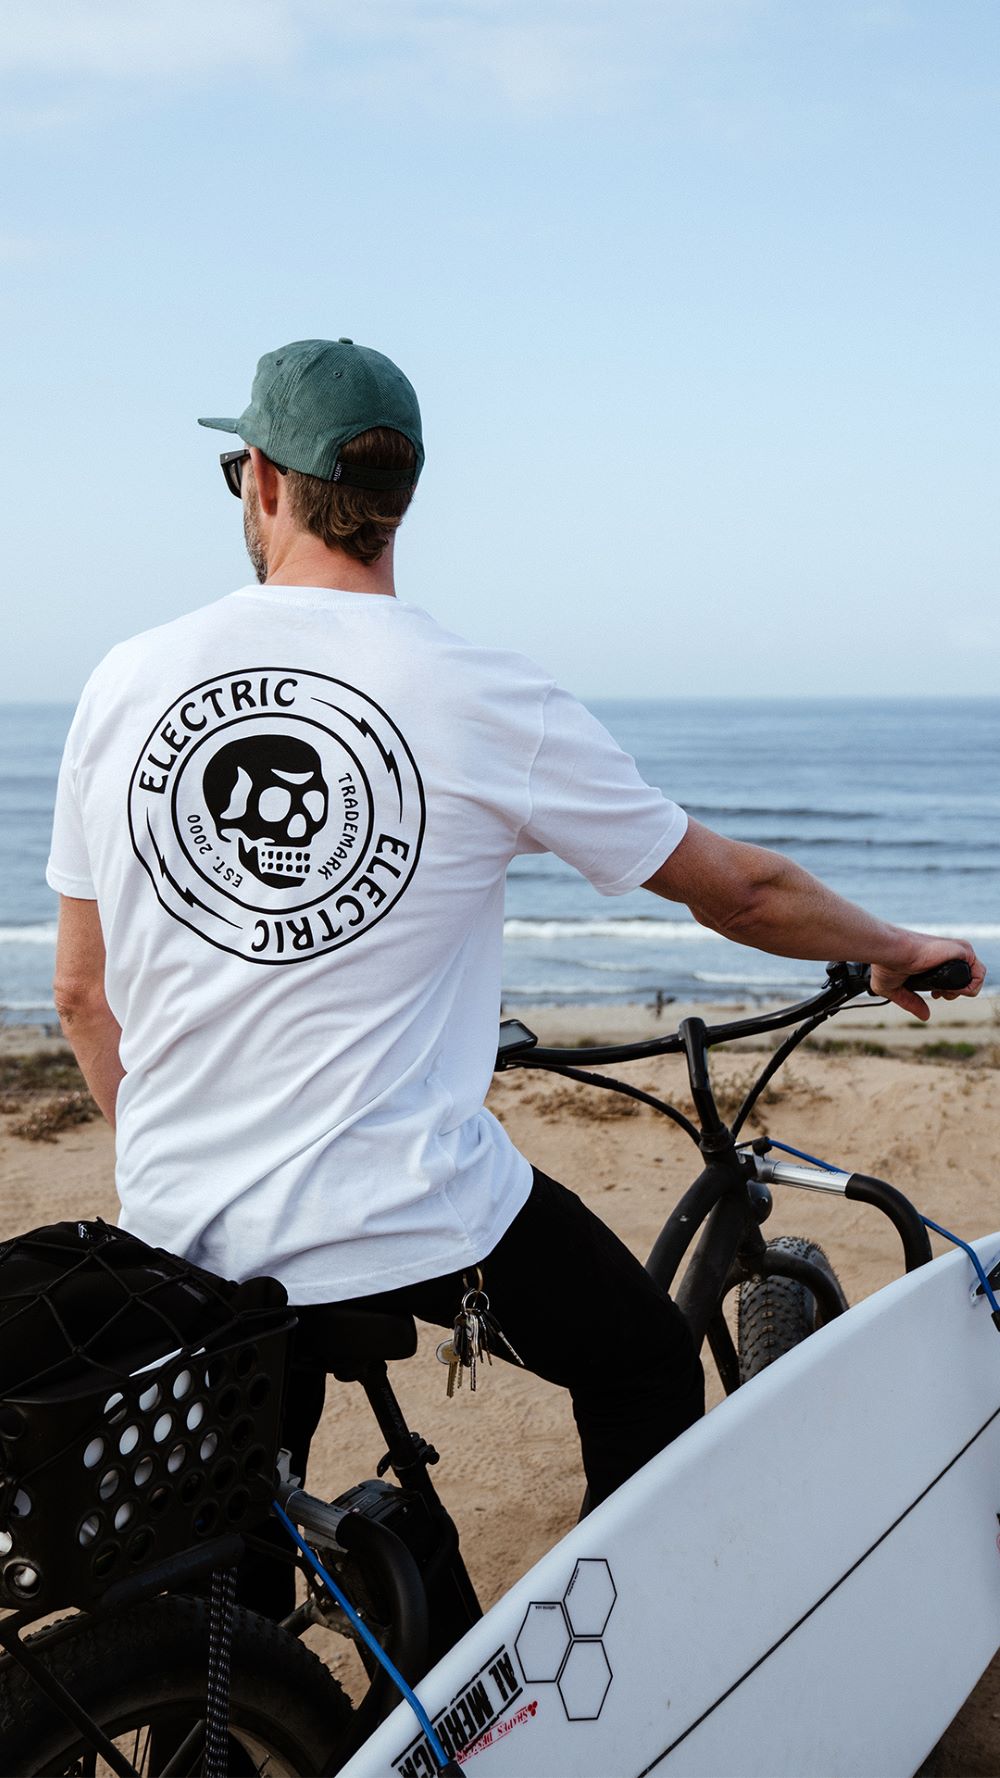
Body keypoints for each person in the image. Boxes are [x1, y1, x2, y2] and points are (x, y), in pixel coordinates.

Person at [48, 337, 984, 1611]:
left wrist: (183, 1150)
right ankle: (609, 1659)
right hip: (411, 1212)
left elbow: (81, 995)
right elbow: (739, 889)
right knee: (643, 1362)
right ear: (401, 496)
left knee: (230, 1551)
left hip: (187, 1225)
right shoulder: (481, 692)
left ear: (262, 478)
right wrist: (888, 943)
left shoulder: (123, 681)